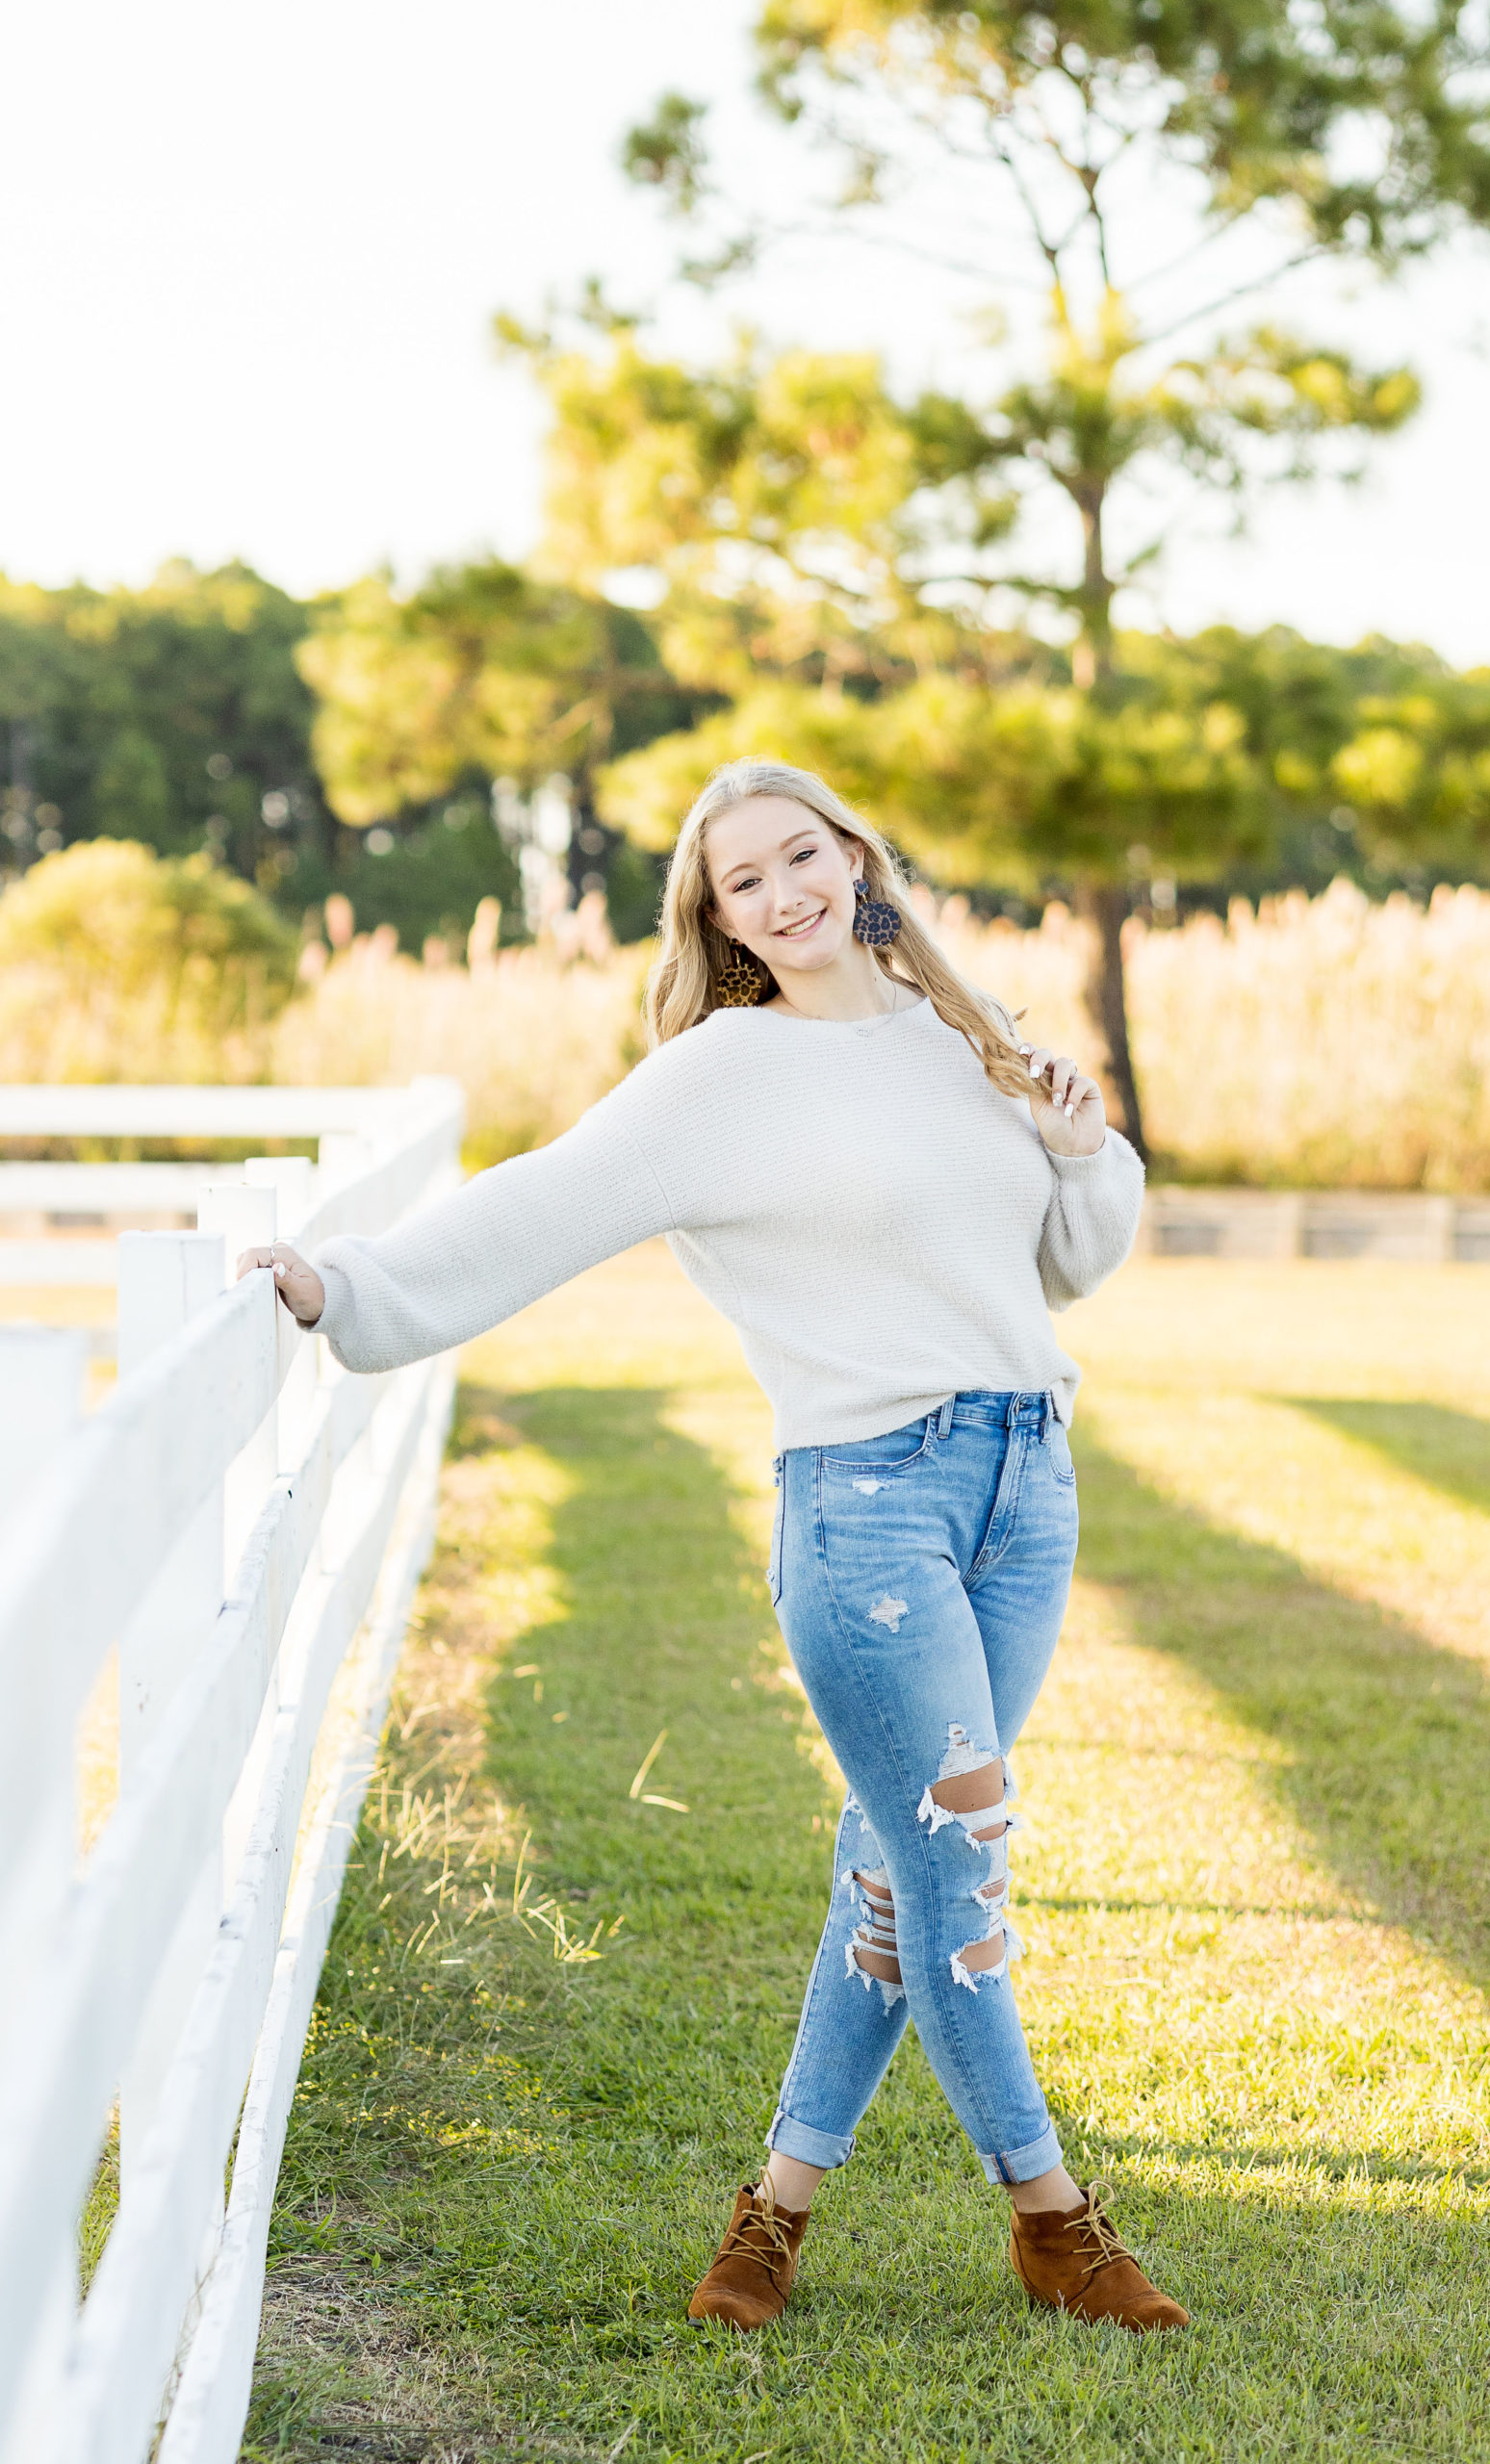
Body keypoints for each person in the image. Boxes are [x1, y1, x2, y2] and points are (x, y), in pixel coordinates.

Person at [238, 759, 1188, 2336]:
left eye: (800, 854)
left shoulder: (969, 1031)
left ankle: (775, 2215)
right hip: (868, 1508)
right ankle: (1055, 2218)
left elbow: (1065, 1271)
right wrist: (352, 1293)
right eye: (743, 881)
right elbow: (540, 1203)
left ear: (855, 856)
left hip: (1028, 1487)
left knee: (895, 1866)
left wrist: (1083, 1150)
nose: (783, 892)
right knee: (955, 1856)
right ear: (720, 916)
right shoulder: (720, 1075)